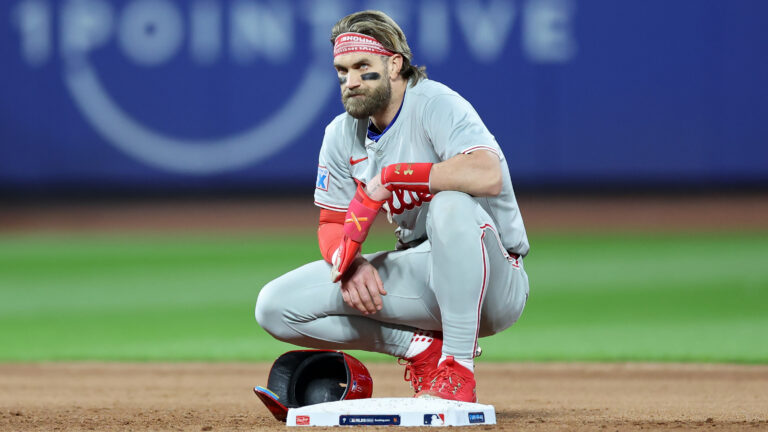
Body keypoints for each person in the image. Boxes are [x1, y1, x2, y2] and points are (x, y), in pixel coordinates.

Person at [255, 10, 530, 403]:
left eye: (362, 67)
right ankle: (420, 350)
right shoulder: (340, 135)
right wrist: (347, 262)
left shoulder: (435, 103)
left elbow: (487, 173)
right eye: (341, 71)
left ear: (394, 63)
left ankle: (457, 370)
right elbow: (331, 222)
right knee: (274, 306)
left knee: (450, 205)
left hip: (495, 279)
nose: (350, 82)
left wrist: (395, 176)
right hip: (423, 275)